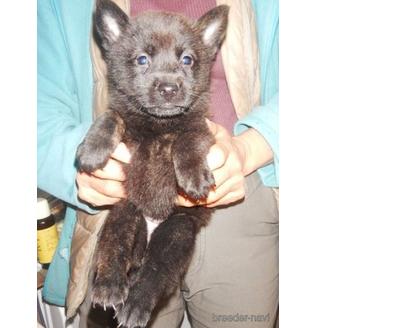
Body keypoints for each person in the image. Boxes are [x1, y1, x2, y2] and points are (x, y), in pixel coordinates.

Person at [38, 0, 278, 327]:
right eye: (142, 60)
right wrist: (78, 158)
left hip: (238, 188)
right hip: (114, 196)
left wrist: (250, 148)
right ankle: (113, 282)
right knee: (115, 267)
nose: (168, 81)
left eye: (186, 59)